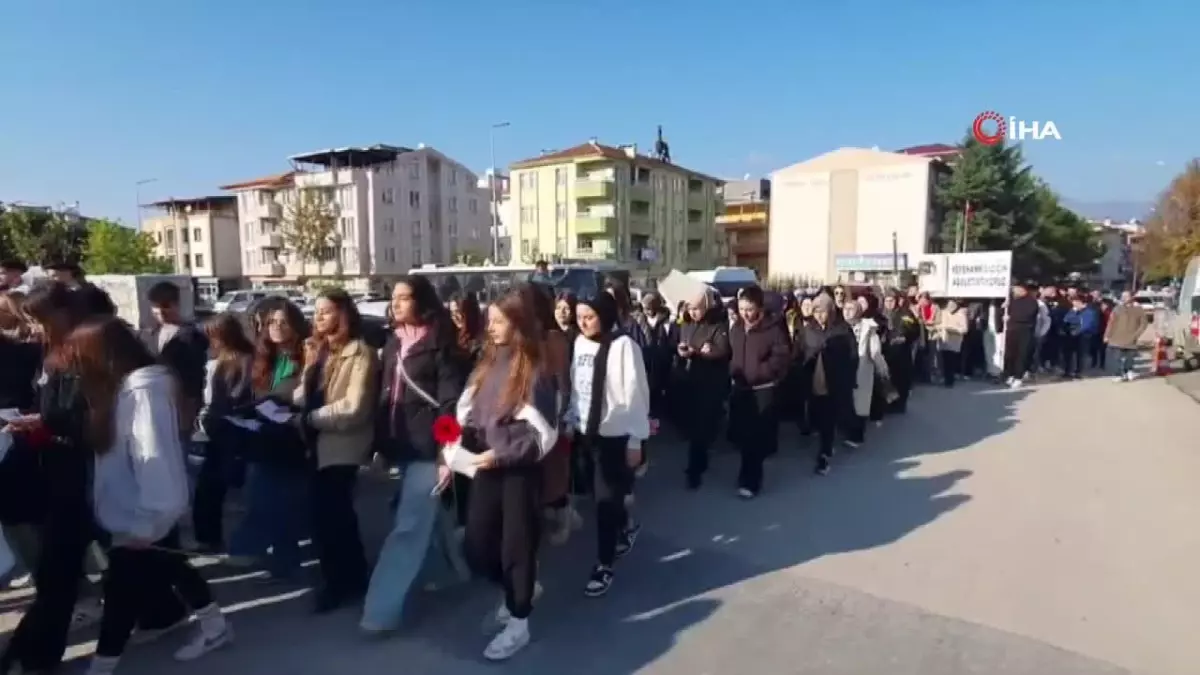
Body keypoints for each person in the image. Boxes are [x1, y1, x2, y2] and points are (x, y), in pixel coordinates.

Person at [65, 318, 231, 675]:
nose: (75, 365)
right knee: (173, 566)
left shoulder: (143, 391)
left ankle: (102, 665)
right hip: (138, 510)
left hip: (142, 513)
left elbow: (157, 460)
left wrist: (144, 522)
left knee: (121, 591)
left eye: (80, 357)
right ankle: (216, 627)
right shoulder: (123, 388)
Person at [361, 276, 467, 632]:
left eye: (404, 298)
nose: (396, 304)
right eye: (394, 298)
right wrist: (378, 446)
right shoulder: (393, 343)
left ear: (421, 302)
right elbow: (385, 397)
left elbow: (449, 404)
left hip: (427, 448)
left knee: (407, 528)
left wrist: (445, 453)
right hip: (398, 443)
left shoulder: (440, 343)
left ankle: (379, 612)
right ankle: (454, 572)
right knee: (427, 517)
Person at [459, 287, 559, 661]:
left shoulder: (535, 369)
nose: (492, 329)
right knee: (476, 545)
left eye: (499, 322)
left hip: (518, 472)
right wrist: (453, 445)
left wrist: (502, 455)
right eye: (490, 322)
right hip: (485, 467)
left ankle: (519, 621)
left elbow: (545, 433)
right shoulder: (487, 363)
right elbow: (470, 414)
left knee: (516, 547)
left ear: (518, 324)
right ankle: (518, 590)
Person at [294, 288, 379, 613]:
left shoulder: (360, 353)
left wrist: (311, 418)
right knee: (329, 518)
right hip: (315, 442)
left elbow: (355, 407)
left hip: (341, 444)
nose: (318, 317)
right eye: (316, 311)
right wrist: (309, 365)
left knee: (333, 516)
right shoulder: (319, 352)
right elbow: (302, 397)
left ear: (343, 315)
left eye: (326, 311)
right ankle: (349, 577)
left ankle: (340, 583)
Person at [567, 292, 649, 598]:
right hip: (586, 433)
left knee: (604, 502)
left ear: (605, 314)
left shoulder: (624, 346)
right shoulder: (579, 343)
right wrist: (570, 419)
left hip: (615, 435)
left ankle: (604, 564)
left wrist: (636, 439)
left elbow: (636, 393)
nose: (583, 323)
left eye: (589, 316)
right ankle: (625, 523)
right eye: (579, 317)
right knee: (599, 496)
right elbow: (578, 384)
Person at [227, 298, 310, 581]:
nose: (276, 327)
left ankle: (284, 562)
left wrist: (282, 405)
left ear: (296, 326)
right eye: (272, 321)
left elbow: (305, 398)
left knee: (282, 503)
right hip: (264, 440)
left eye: (283, 322)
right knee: (263, 499)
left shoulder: (306, 356)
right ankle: (277, 560)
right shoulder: (265, 359)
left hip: (293, 441)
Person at [190, 313, 254, 554]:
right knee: (209, 487)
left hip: (232, 427)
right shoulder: (221, 359)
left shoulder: (242, 359)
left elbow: (238, 395)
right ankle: (208, 536)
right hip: (218, 427)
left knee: (216, 485)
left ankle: (213, 538)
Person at [727, 285, 790, 498]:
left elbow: (781, 358)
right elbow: (731, 353)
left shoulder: (772, 329)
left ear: (759, 307)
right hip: (740, 388)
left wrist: (760, 371)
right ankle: (745, 472)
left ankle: (752, 480)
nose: (745, 313)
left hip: (762, 390)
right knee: (743, 436)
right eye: (742, 308)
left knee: (756, 437)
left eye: (750, 308)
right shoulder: (736, 327)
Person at [675, 290, 730, 489]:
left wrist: (699, 352)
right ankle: (700, 459)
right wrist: (682, 350)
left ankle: (695, 469)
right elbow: (682, 344)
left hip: (710, 383)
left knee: (701, 428)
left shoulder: (718, 325)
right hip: (690, 381)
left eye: (697, 308)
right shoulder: (687, 325)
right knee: (695, 428)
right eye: (690, 308)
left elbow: (721, 350)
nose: (693, 312)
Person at [799, 295, 857, 475]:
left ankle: (824, 453)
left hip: (835, 382)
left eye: (823, 311)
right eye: (816, 311)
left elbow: (853, 357)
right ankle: (825, 444)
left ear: (831, 311)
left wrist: (848, 379)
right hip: (814, 381)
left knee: (829, 418)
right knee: (817, 415)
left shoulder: (843, 330)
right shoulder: (808, 330)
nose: (819, 315)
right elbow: (800, 353)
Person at [143, 282, 209, 440]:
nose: (160, 312)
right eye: (156, 307)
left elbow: (195, 377)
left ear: (176, 304)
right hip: (154, 405)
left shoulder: (192, 336)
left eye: (165, 306)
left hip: (182, 405)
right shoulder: (148, 335)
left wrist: (189, 409)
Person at [842, 299, 889, 446]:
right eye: (845, 308)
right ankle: (847, 431)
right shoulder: (840, 327)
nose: (847, 311)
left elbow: (875, 352)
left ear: (858, 311)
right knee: (847, 401)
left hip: (862, 370)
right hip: (844, 370)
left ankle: (857, 436)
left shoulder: (868, 329)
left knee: (860, 403)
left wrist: (882, 369)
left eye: (851, 308)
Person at [882, 293, 918, 412]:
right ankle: (888, 403)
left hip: (901, 352)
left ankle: (900, 404)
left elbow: (915, 330)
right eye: (886, 301)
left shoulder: (905, 314)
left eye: (891, 300)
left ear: (897, 301)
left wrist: (906, 337)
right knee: (887, 379)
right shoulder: (881, 314)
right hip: (886, 352)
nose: (889, 303)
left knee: (901, 379)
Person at [1103, 291, 1149, 382]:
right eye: (1123, 296)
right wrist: (1107, 335)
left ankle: (1128, 371)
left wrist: (1137, 334)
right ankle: (1118, 374)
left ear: (1132, 297)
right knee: (1116, 358)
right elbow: (1111, 323)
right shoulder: (1117, 309)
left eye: (1127, 296)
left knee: (1130, 357)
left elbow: (1144, 324)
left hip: (1131, 337)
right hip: (1116, 337)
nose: (1124, 298)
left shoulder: (1138, 309)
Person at [1003, 283, 1039, 389]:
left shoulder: (1031, 302)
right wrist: (1004, 309)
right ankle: (1010, 374)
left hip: (1024, 331)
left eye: (1016, 289)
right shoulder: (1012, 300)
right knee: (1010, 353)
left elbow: (1027, 315)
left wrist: (1011, 317)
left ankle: (1018, 377)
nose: (1014, 291)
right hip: (1011, 329)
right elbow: (1005, 312)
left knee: (1021, 354)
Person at [1061, 295, 1100, 379]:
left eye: (1075, 302)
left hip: (1084, 336)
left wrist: (1077, 331)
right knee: (1069, 353)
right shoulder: (1072, 311)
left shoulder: (1089, 312)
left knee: (1081, 355)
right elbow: (1066, 320)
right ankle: (1068, 371)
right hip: (1071, 335)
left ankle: (1079, 371)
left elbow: (1087, 325)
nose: (1073, 304)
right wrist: (1074, 312)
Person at [936, 299, 968, 387]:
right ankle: (946, 378)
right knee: (945, 361)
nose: (950, 307)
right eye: (949, 305)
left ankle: (950, 381)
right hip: (944, 341)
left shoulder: (961, 314)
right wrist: (941, 328)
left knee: (951, 361)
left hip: (954, 342)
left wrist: (953, 329)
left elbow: (964, 329)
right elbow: (938, 324)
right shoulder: (943, 313)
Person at [448, 291, 484, 364]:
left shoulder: (482, 342)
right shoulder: (450, 337)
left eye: (458, 312)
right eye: (452, 313)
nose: (455, 317)